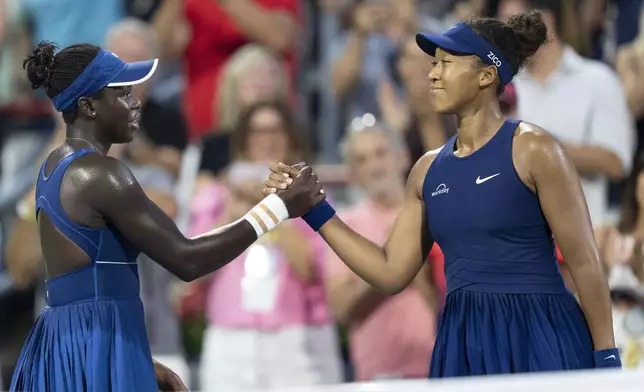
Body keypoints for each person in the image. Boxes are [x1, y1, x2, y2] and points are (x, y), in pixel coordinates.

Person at [265, 10, 621, 376]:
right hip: (462, 339)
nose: (432, 73)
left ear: (486, 75)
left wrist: (606, 354)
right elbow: (390, 273)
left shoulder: (536, 149)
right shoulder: (426, 170)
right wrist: (318, 211)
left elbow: (584, 261)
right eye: (434, 64)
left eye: (446, 64)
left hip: (541, 331)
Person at [10, 41, 323, 392]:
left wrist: (133, 356)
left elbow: (85, 290)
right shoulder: (103, 173)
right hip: (92, 349)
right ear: (88, 106)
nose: (136, 101)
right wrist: (277, 208)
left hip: (72, 346)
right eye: (123, 93)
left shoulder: (53, 166)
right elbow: (187, 260)